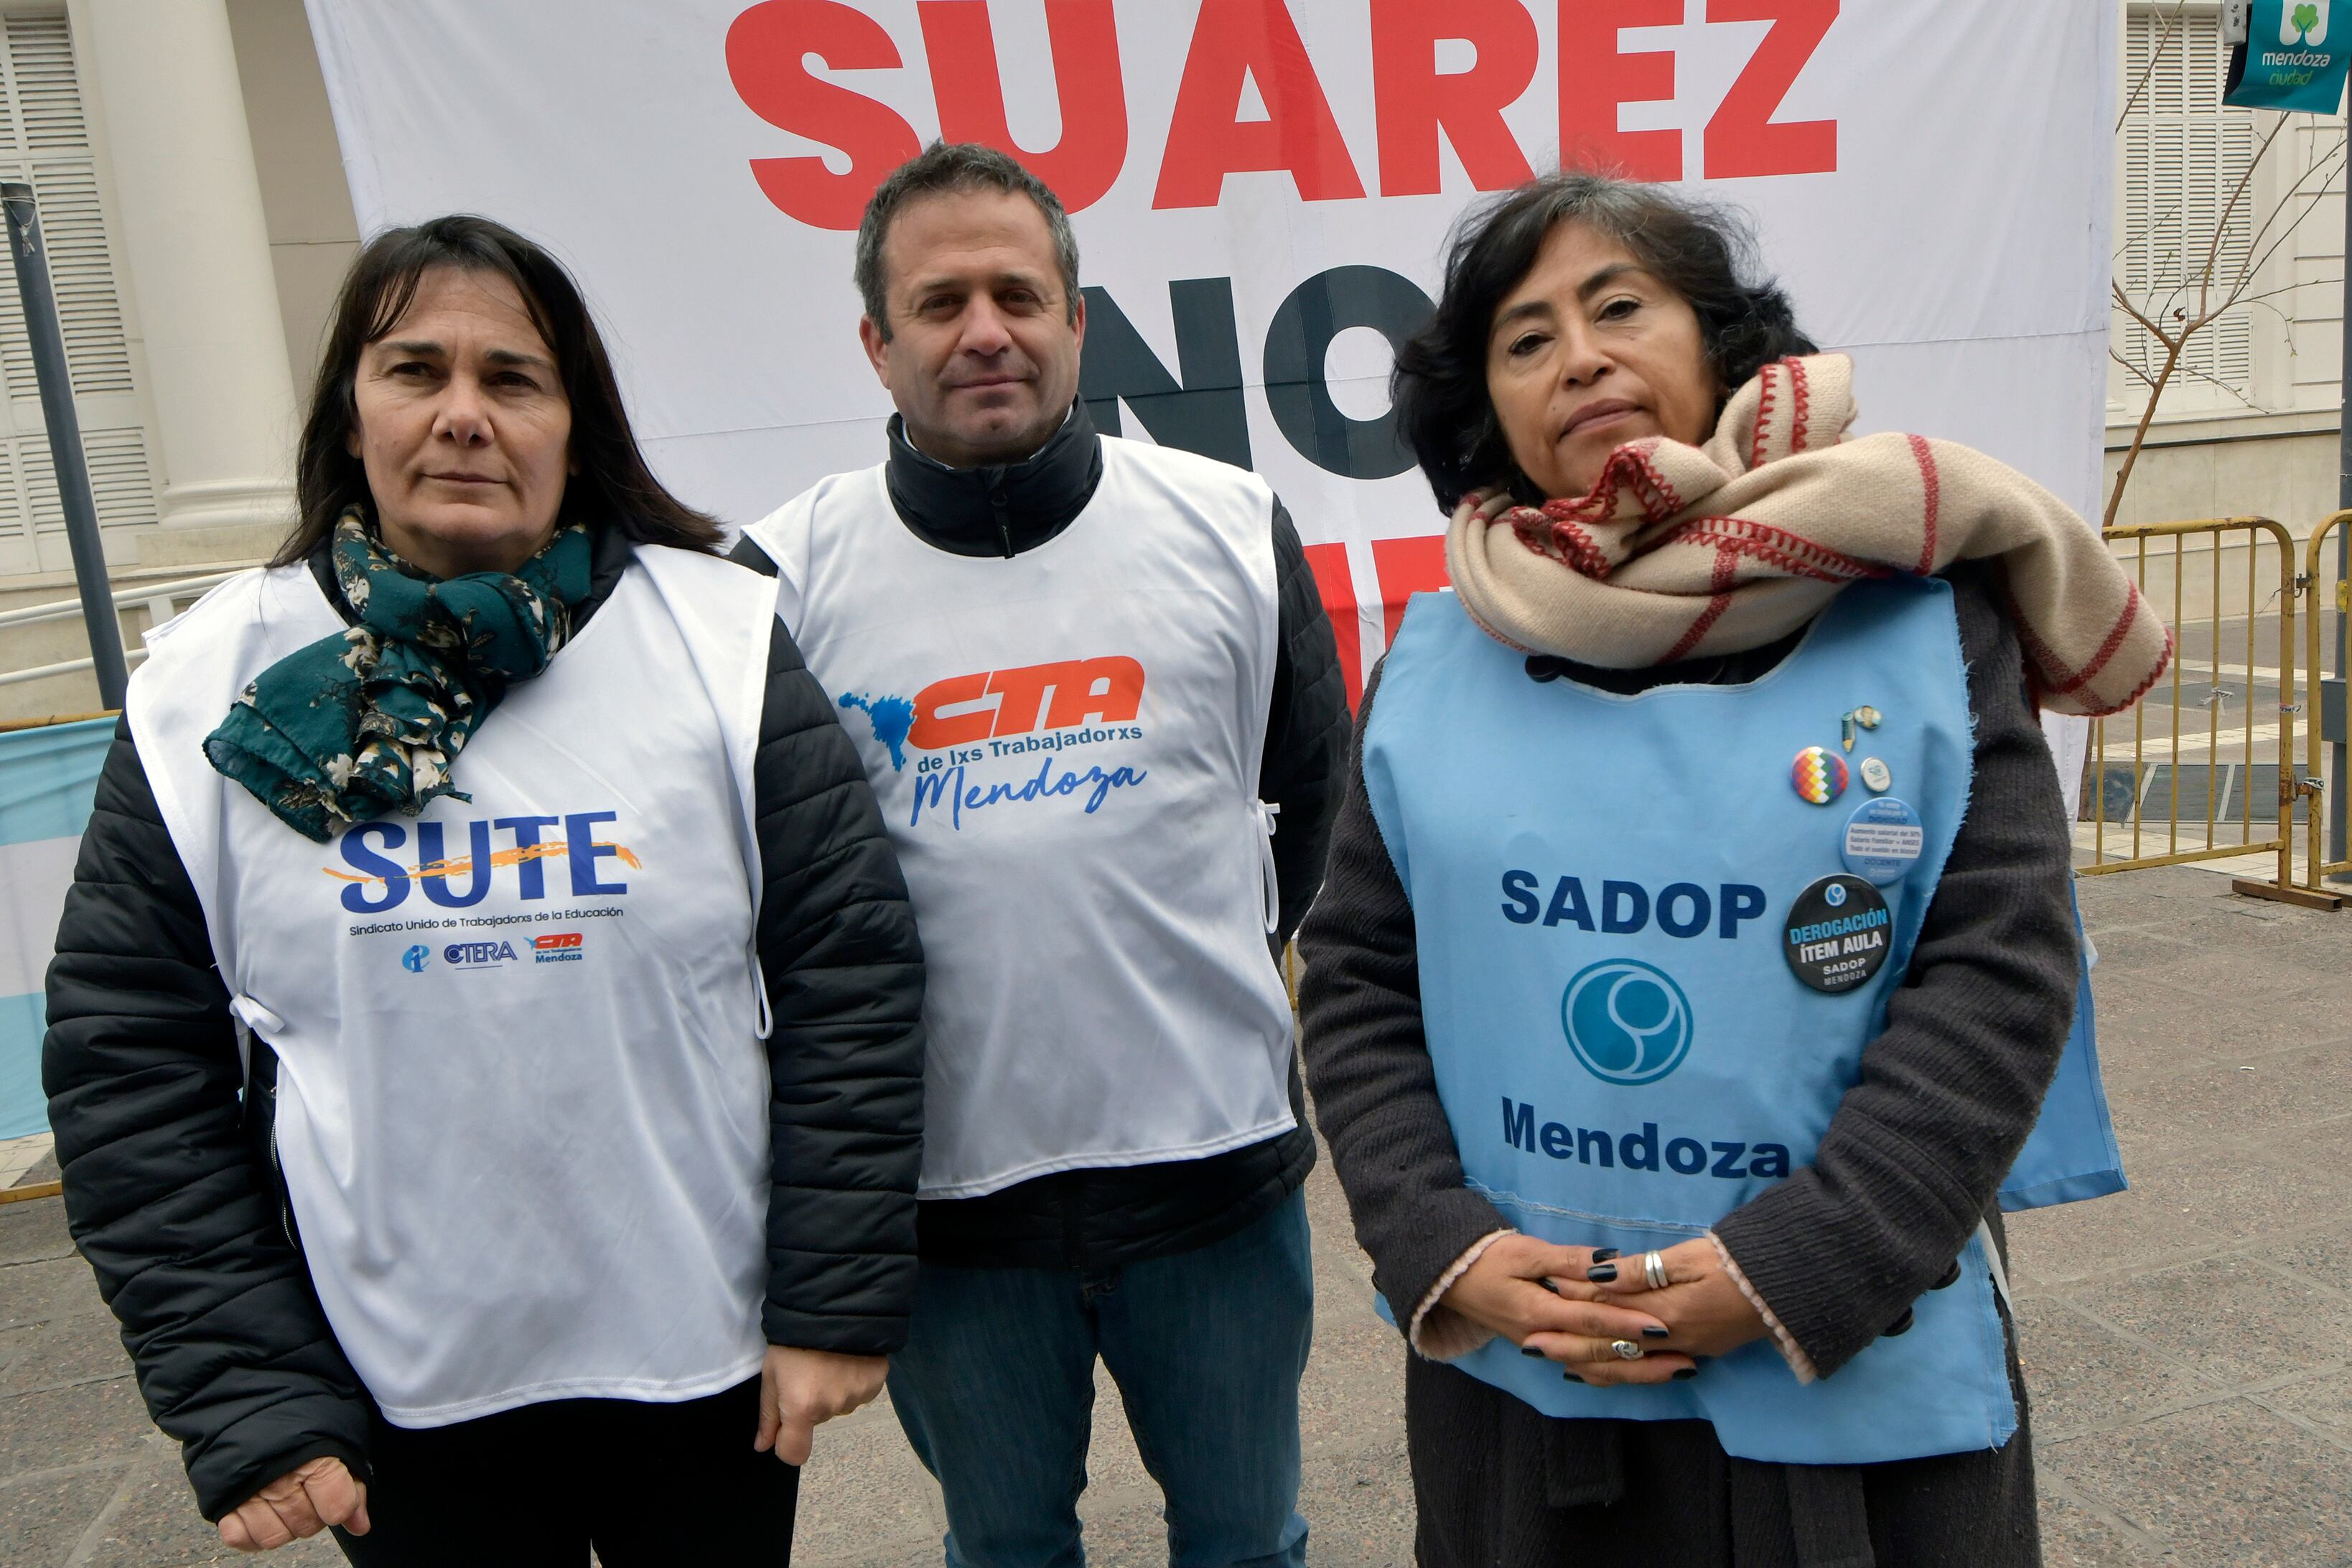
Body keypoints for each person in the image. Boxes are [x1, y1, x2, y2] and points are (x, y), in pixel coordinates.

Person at [1297, 171, 2163, 1567]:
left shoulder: (1918, 617)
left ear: (1721, 346)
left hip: (1856, 1385)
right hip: (1538, 1392)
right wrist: (1440, 1243)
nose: (1578, 354)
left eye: (1621, 306)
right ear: (1489, 409)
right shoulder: (1437, 659)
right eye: (1526, 339)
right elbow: (1355, 977)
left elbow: (1999, 965)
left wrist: (1796, 1266)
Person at [43, 215, 928, 1564]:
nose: (464, 416)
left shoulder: (719, 638)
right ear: (352, 415)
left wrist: (832, 1300)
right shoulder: (204, 691)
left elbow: (847, 974)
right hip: (399, 1400)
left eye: (512, 379)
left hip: (702, 1370)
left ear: (577, 423)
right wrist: (252, 1400)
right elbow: (127, 1064)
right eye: (416, 371)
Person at [733, 142, 1348, 1567]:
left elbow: (1304, 804)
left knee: (1251, 1544)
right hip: (949, 1214)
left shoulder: (1229, 529)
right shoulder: (778, 581)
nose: (986, 331)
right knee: (1004, 1552)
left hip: (1215, 1180)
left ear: (1079, 321)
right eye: (940, 303)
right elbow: (770, 899)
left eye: (1020, 293)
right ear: (878, 346)